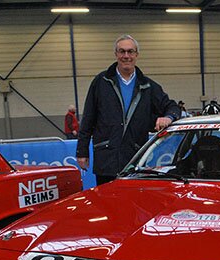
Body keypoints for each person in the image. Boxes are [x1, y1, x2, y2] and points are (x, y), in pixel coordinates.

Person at [76, 34, 180, 185]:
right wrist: (82, 152)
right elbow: (88, 118)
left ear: (136, 55)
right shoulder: (101, 82)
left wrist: (168, 117)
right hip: (107, 160)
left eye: (130, 52)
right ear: (116, 54)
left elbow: (173, 107)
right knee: (107, 205)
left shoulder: (148, 86)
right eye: (122, 51)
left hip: (134, 160)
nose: (126, 56)